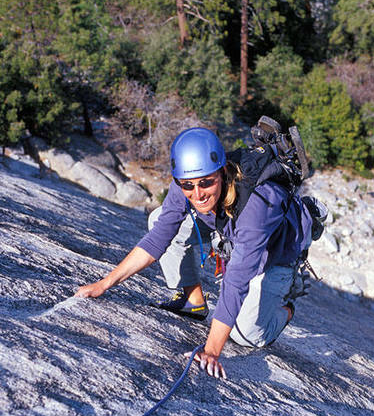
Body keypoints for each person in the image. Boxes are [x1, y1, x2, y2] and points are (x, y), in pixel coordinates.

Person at [75, 127, 313, 380]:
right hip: (233, 232)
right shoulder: (187, 183)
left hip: (276, 255)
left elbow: (236, 281)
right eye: (188, 185)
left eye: (206, 183)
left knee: (247, 335)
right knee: (158, 218)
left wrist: (211, 350)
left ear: (222, 172)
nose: (197, 194)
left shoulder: (257, 204)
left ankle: (285, 305)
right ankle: (193, 300)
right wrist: (104, 283)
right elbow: (159, 237)